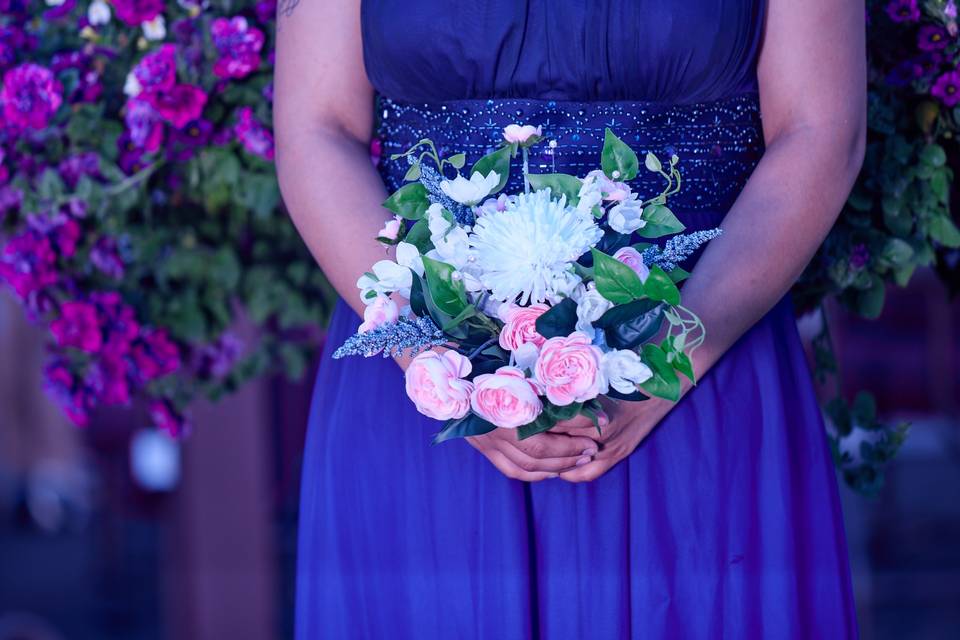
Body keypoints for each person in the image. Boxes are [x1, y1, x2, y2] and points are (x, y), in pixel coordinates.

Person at [274, 1, 865, 637]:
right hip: (425, 400)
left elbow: (819, 126)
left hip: (698, 371)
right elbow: (317, 126)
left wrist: (665, 359)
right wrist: (445, 372)